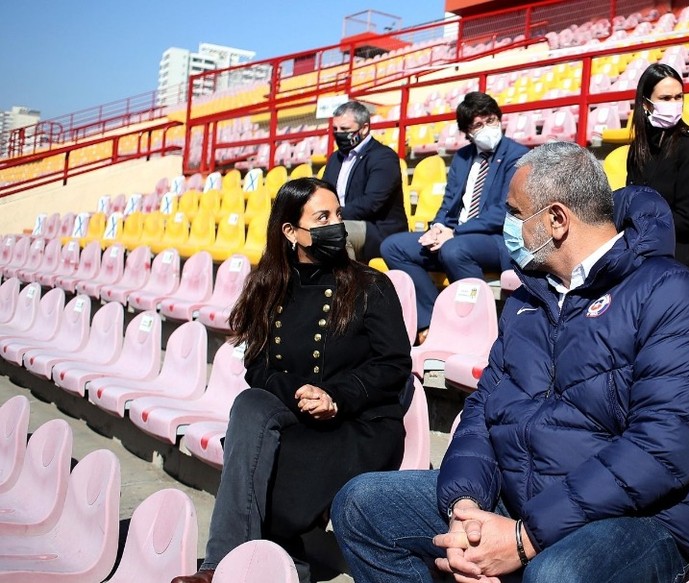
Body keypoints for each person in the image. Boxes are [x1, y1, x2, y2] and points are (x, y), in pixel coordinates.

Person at [332, 142, 689, 583]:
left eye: (516, 213)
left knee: (555, 574)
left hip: (641, 517)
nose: (507, 226)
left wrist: (524, 539)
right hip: (517, 500)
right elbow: (483, 410)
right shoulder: (527, 299)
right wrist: (466, 507)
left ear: (556, 220)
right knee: (362, 505)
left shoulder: (669, 292)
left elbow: (664, 446)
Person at [171, 178, 412, 583]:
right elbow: (257, 365)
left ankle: (266, 567)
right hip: (297, 410)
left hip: (356, 423)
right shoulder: (270, 286)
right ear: (291, 231)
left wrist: (336, 395)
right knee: (249, 406)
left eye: (338, 214)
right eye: (323, 217)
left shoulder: (371, 284)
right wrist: (299, 393)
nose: (337, 224)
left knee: (266, 460)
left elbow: (393, 364)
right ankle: (223, 565)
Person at [380, 92, 528, 342]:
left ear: (499, 119)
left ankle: (476, 328)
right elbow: (449, 202)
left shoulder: (516, 155)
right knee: (393, 246)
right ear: (467, 132)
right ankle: (430, 320)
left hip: (495, 238)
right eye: (478, 125)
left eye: (490, 120)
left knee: (453, 250)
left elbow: (504, 211)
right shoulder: (462, 157)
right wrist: (437, 227)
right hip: (455, 236)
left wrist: (455, 233)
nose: (486, 128)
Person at [626, 63, 689, 275]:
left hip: (679, 249)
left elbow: (687, 220)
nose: (674, 104)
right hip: (642, 244)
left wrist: (640, 221)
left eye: (678, 97)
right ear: (646, 104)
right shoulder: (638, 148)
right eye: (665, 98)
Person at [322, 101, 406, 262]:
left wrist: (333, 217)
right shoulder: (335, 158)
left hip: (377, 229)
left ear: (365, 128)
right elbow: (323, 193)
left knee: (335, 234)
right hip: (340, 221)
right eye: (335, 129)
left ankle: (350, 286)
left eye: (345, 129)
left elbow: (371, 203)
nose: (339, 134)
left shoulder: (383, 157)